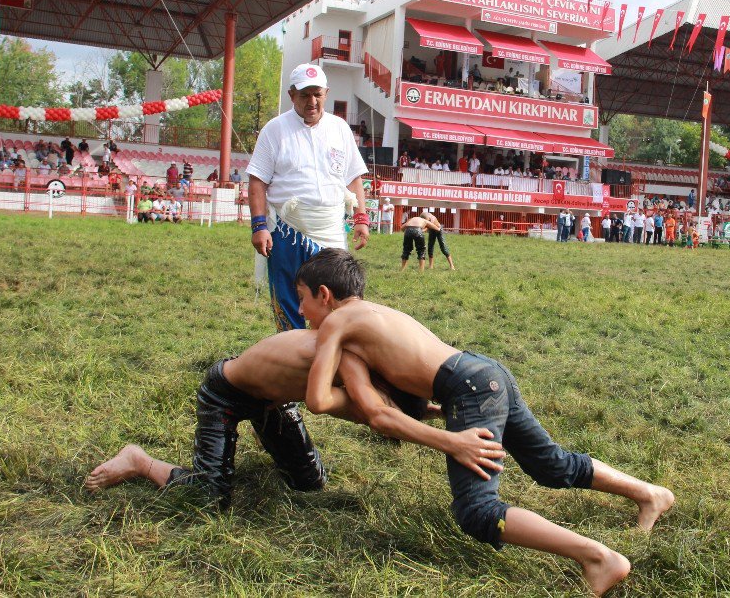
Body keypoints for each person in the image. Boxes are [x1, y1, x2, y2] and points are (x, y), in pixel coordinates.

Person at [298, 250, 675, 597]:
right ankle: (650, 494)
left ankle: (598, 558)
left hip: (468, 388)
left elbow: (329, 404)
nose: (301, 311)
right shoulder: (369, 314)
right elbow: (391, 379)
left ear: (325, 294)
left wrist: (453, 442)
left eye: (302, 298)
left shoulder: (337, 324)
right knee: (550, 464)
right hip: (484, 372)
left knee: (477, 510)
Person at [86, 330, 496, 505]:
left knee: (310, 484)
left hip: (274, 401)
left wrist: (447, 414)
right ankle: (140, 460)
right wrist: (454, 442)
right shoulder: (351, 360)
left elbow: (377, 411)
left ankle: (257, 452)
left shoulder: (372, 368)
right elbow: (378, 417)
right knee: (209, 497)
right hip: (224, 393)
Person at [247, 63, 370, 332]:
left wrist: (361, 218)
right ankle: (293, 356)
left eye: (317, 94)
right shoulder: (274, 130)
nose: (312, 102)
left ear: (326, 93)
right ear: (292, 95)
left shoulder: (339, 129)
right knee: (288, 299)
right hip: (287, 230)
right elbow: (257, 179)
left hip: (330, 230)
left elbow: (353, 178)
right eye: (304, 95)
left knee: (337, 297)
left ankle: (332, 351)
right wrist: (258, 226)